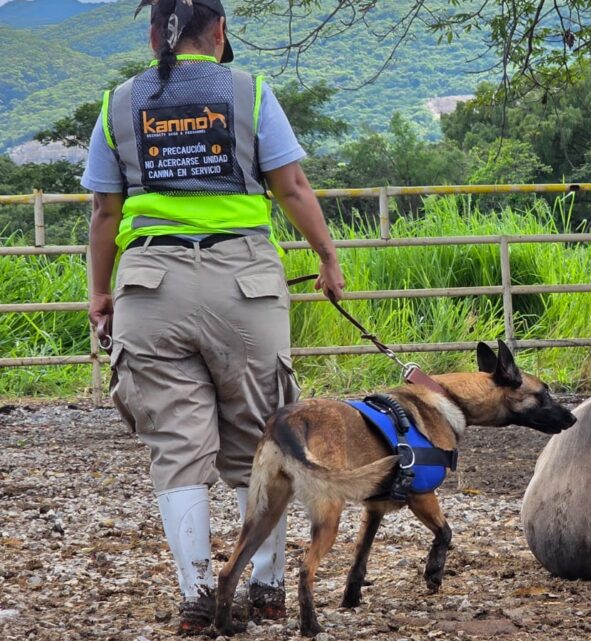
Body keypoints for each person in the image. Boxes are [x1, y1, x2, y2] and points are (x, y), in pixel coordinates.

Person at [81, 0, 346, 633]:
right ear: (220, 32)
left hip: (150, 289)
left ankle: (199, 595)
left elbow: (104, 214)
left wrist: (99, 295)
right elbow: (292, 189)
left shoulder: (119, 103)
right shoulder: (249, 93)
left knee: (176, 449)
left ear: (154, 37)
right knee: (261, 437)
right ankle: (267, 587)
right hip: (244, 289)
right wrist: (328, 257)